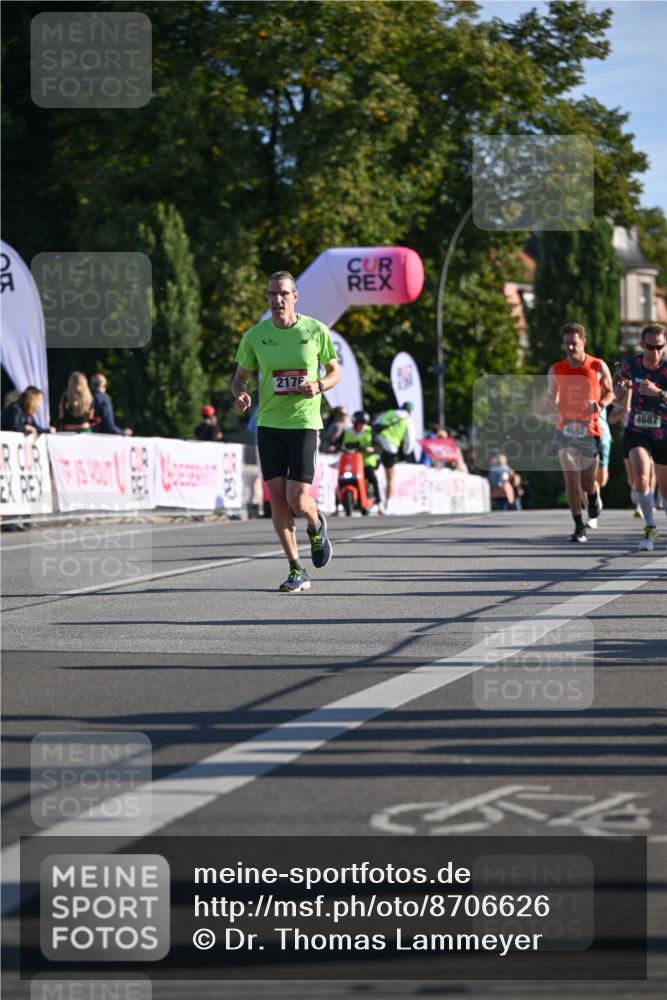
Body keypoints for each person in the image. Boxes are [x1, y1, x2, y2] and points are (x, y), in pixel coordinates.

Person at [231, 270, 340, 593]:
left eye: (282, 294)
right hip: (269, 425)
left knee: (298, 498)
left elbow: (335, 372)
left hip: (305, 423)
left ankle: (316, 522)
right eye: (270, 294)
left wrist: (319, 385)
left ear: (295, 297)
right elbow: (240, 376)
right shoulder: (255, 335)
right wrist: (240, 393)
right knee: (277, 499)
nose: (276, 300)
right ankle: (296, 568)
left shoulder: (315, 331)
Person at [535, 322, 613, 543]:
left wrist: (600, 405)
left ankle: (594, 495)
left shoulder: (597, 366)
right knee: (570, 477)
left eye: (574, 343)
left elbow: (610, 393)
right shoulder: (556, 369)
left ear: (583, 342)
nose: (570, 348)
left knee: (588, 483)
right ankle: (579, 527)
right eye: (567, 344)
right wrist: (550, 400)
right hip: (566, 429)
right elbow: (552, 395)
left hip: (590, 429)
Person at [612, 323, 667, 551]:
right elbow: (619, 382)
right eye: (651, 347)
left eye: (660, 347)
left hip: (664, 430)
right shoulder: (633, 364)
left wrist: (659, 392)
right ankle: (650, 526)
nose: (655, 352)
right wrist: (620, 388)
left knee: (665, 489)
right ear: (642, 344)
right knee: (641, 473)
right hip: (638, 429)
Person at [372, 401, 417, 511]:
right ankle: (387, 504)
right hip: (390, 448)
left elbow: (376, 423)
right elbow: (409, 441)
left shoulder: (390, 413)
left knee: (370, 472)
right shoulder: (407, 420)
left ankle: (373, 500)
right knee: (390, 477)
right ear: (410, 411)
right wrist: (406, 453)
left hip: (376, 443)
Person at [341, 410, 382, 510]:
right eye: (359, 424)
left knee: (372, 478)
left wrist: (372, 448)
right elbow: (338, 442)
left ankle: (379, 502)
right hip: (351, 463)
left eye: (363, 424)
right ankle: (337, 504)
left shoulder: (370, 431)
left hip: (366, 462)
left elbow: (378, 446)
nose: (362, 426)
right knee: (340, 480)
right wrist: (333, 446)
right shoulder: (347, 431)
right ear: (355, 424)